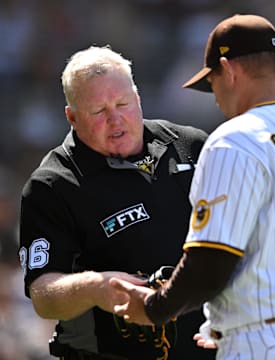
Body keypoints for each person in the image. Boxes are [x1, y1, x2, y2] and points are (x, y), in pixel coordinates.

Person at [109, 14, 275, 359]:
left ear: (228, 69)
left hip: (266, 348)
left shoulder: (234, 140)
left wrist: (154, 308)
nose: (215, 97)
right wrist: (240, 318)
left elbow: (209, 263)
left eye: (212, 83)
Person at [18, 45, 217, 360]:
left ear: (138, 98)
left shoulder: (191, 146)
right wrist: (97, 287)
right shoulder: (54, 184)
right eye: (98, 111)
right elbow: (43, 295)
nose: (115, 119)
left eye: (123, 103)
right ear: (72, 117)